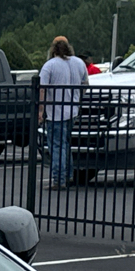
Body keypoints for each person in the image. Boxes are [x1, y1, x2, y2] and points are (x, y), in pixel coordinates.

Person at [38, 36, 89, 188]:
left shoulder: (50, 65)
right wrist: (78, 99)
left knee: (56, 146)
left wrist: (40, 110)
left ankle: (58, 179)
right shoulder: (79, 63)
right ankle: (68, 175)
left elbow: (42, 89)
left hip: (55, 112)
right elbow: (85, 84)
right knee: (65, 144)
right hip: (72, 110)